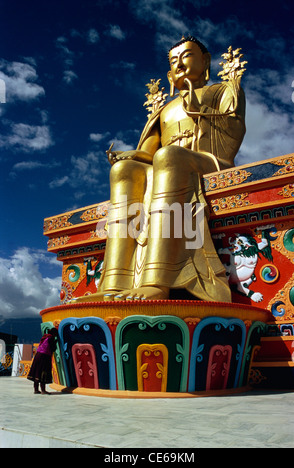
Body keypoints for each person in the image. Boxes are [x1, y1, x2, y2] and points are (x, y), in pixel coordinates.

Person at [75, 36, 246, 303]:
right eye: (173, 60)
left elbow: (232, 133)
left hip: (209, 161)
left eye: (187, 56)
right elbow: (149, 154)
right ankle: (114, 282)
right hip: (168, 164)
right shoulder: (165, 109)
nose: (180, 63)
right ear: (169, 72)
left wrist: (197, 107)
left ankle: (157, 279)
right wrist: (131, 155)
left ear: (206, 61)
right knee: (124, 171)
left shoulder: (221, 92)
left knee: (170, 156)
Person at [27, 328, 58, 394]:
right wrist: (56, 342)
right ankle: (43, 390)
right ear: (54, 334)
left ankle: (36, 389)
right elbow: (53, 348)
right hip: (44, 357)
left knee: (37, 372)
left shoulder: (45, 337)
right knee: (43, 372)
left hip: (38, 355)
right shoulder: (51, 338)